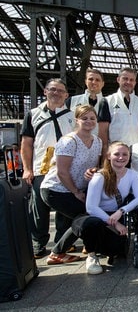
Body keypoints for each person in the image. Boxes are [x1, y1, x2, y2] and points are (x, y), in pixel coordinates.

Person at [40, 104, 102, 264]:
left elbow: (92, 165)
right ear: (77, 120)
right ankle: (57, 252)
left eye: (92, 118)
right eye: (84, 118)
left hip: (75, 189)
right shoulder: (68, 141)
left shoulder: (98, 142)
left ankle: (61, 251)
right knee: (85, 217)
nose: (89, 121)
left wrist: (93, 170)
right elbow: (62, 172)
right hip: (56, 189)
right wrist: (75, 192)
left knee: (81, 218)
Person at [21, 78, 75, 259]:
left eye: (61, 91)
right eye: (53, 89)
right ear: (45, 91)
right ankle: (38, 244)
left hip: (66, 168)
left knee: (64, 207)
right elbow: (27, 143)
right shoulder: (33, 114)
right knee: (39, 208)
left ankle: (62, 243)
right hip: (42, 167)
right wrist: (27, 169)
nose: (56, 93)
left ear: (66, 95)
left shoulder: (72, 116)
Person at [74, 141, 138, 274]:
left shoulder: (132, 175)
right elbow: (91, 207)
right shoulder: (99, 177)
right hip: (95, 216)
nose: (121, 157)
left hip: (116, 213)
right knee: (92, 224)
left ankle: (102, 247)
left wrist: (122, 211)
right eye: (116, 154)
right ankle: (92, 255)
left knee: (118, 250)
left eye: (125, 154)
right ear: (108, 156)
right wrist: (116, 224)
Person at [103, 67, 138, 148]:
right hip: (116, 153)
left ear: (135, 82)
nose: (128, 82)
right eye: (125, 79)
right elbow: (103, 131)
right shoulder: (107, 101)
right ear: (118, 79)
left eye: (131, 80)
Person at [66, 68, 110, 141]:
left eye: (97, 80)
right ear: (85, 81)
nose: (94, 82)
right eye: (90, 79)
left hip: (100, 145)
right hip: (76, 144)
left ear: (103, 83)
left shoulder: (110, 102)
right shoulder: (71, 101)